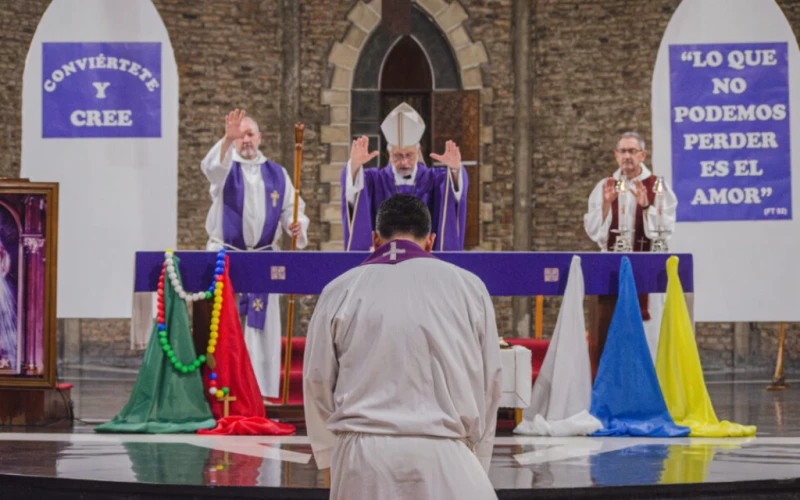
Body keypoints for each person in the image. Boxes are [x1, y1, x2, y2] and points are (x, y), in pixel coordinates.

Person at [304, 194, 502, 500]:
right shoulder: (469, 287)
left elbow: (317, 379)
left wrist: (331, 456)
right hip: (445, 451)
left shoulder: (340, 289)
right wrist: (479, 453)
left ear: (374, 239)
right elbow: (490, 381)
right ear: (430, 241)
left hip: (363, 458)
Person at [201, 108, 310, 400]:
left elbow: (291, 207)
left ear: (260, 137)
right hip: (228, 259)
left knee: (263, 331)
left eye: (250, 134)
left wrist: (295, 224)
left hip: (263, 260)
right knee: (227, 326)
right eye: (240, 136)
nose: (245, 140)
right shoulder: (225, 170)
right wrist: (226, 138)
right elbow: (211, 168)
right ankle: (228, 391)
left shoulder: (277, 173)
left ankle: (260, 393)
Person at [584, 131, 678, 360]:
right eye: (622, 151)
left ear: (643, 155)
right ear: (616, 155)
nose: (627, 156)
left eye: (632, 151)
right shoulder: (605, 186)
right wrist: (606, 206)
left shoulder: (658, 187)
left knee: (649, 337)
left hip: (647, 274)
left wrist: (646, 206)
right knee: (612, 330)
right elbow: (595, 232)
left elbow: (665, 230)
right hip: (613, 273)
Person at [341, 103, 468, 251]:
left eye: (409, 155)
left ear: (418, 151)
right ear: (389, 153)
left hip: (425, 259)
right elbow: (353, 194)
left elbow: (455, 196)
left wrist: (454, 170)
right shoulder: (374, 180)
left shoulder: (436, 179)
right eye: (398, 155)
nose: (404, 161)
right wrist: (355, 166)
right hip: (384, 258)